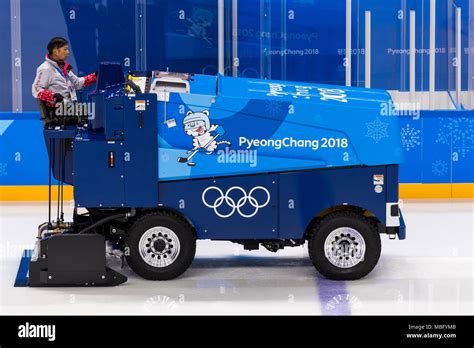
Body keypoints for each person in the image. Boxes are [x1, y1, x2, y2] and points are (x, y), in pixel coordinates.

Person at [32, 37, 97, 108]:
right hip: (57, 111)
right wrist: (53, 96)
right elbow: (36, 89)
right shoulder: (45, 69)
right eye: (65, 49)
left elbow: (78, 83)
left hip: (69, 108)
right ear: (55, 51)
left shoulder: (64, 67)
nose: (68, 52)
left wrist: (96, 76)